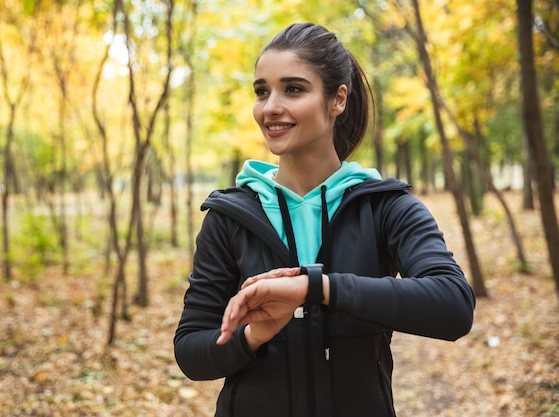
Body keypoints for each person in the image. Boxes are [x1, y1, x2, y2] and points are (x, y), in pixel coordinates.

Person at [174, 22, 475, 417]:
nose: (270, 107)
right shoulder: (229, 216)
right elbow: (191, 351)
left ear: (338, 99)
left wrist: (318, 288)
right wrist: (252, 336)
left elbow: (453, 306)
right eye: (262, 91)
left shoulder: (385, 207)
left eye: (293, 89)